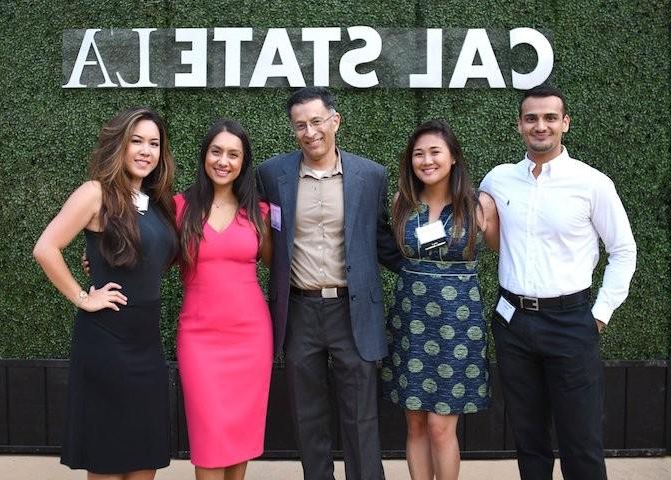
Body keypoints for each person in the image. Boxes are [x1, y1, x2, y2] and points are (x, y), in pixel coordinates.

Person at [480, 85, 637, 480]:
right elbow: (481, 226)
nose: (541, 125)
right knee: (529, 441)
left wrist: (599, 314)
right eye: (531, 118)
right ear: (518, 125)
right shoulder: (498, 180)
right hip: (513, 322)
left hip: (571, 323)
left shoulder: (591, 183)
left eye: (550, 117)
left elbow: (624, 250)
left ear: (565, 123)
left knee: (580, 441)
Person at [255, 87, 402, 480]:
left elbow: (382, 239)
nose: (310, 132)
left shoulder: (371, 176)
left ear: (335, 121)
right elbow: (244, 228)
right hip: (298, 310)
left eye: (317, 121)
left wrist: (428, 266)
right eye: (300, 125)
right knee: (308, 416)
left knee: (362, 418)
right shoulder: (272, 175)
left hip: (352, 308)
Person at [33, 107, 178, 480]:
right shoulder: (94, 193)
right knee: (110, 461)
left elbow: (154, 257)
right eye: (137, 141)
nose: (146, 151)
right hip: (105, 343)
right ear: (120, 144)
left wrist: (100, 257)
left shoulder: (157, 201)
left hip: (146, 345)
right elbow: (46, 248)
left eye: (154, 144)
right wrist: (84, 296)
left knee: (144, 460)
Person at [381, 120, 498, 480]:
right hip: (410, 323)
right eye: (419, 154)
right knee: (415, 424)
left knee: (440, 427)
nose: (426, 160)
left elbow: (514, 257)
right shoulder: (403, 203)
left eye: (435, 152)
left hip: (458, 328)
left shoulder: (480, 206)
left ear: (453, 158)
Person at [175, 119, 273, 480]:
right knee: (210, 436)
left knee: (239, 436)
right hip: (199, 338)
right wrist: (103, 262)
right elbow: (150, 254)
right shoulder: (179, 208)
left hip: (251, 338)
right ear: (205, 155)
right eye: (217, 151)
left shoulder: (260, 213)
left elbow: (281, 266)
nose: (223, 161)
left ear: (243, 162)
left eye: (233, 154)